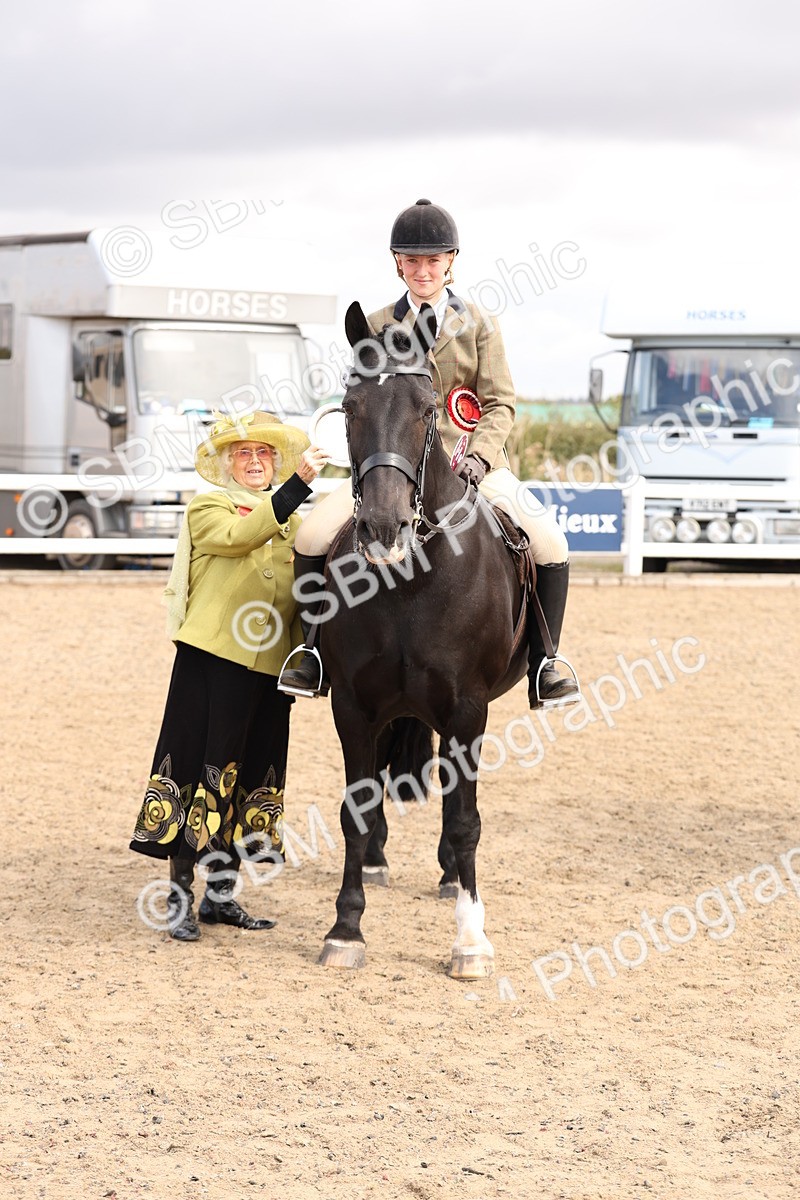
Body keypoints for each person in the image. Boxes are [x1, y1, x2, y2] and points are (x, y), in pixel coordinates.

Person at [279, 198, 580, 709]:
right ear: (398, 263)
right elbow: (364, 402)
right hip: (389, 470)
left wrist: (480, 458)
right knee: (311, 535)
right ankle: (312, 652)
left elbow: (500, 402)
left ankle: (544, 663)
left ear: (451, 262)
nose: (423, 270)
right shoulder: (375, 323)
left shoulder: (479, 323)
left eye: (433, 260)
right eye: (412, 261)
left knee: (549, 540)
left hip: (470, 464)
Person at [130, 410, 329, 941]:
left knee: (251, 775)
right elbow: (241, 536)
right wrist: (297, 486)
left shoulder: (294, 522)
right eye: (245, 453)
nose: (256, 461)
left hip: (271, 666)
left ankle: (220, 897)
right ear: (226, 465)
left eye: (265, 453)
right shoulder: (209, 506)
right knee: (198, 766)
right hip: (212, 660)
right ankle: (178, 898)